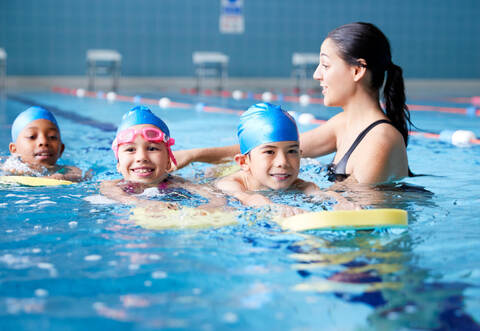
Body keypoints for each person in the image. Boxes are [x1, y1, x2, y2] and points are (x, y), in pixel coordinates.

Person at [171, 22, 412, 185]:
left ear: (357, 70)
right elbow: (268, 148)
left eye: (326, 66)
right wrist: (193, 156)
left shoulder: (380, 141)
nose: (317, 75)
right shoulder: (344, 124)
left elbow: (351, 209)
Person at [215, 103, 357, 216]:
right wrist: (271, 206)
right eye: (269, 152)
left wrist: (340, 201)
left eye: (291, 151)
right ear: (244, 162)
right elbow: (248, 198)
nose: (282, 162)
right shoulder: (229, 184)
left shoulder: (299, 184)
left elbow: (318, 193)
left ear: (301, 155)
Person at [100, 106, 225, 211]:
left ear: (168, 161)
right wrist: (143, 204)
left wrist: (210, 207)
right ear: (118, 165)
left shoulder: (178, 183)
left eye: (152, 148)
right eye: (130, 150)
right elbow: (118, 196)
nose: (141, 157)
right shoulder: (112, 185)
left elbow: (216, 197)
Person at [2, 106, 83, 181]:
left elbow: (82, 175)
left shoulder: (65, 171)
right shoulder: (10, 168)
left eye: (52, 137)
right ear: (14, 149)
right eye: (32, 136)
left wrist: (63, 177)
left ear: (61, 149)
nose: (44, 142)